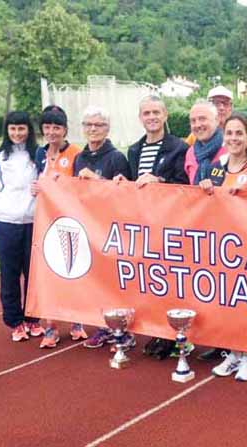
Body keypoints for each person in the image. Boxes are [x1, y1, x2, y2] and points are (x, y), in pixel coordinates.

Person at [114, 95, 190, 360]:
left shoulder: (178, 147)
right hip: (144, 226)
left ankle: (173, 335)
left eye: (156, 112)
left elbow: (183, 184)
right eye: (146, 113)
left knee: (172, 282)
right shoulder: (134, 150)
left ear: (165, 114)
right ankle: (158, 330)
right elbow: (134, 186)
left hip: (170, 224)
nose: (152, 117)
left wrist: (159, 179)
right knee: (150, 281)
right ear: (140, 118)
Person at [198, 114, 247, 381]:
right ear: (223, 137)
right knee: (228, 303)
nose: (234, 138)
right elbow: (207, 205)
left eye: (239, 133)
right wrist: (205, 189)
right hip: (223, 248)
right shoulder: (216, 167)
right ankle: (235, 353)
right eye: (229, 133)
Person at [0, 111, 45, 341]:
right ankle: (15, 322)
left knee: (34, 274)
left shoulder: (38, 154)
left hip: (33, 223)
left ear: (28, 130)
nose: (17, 133)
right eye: (13, 129)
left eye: (21, 129)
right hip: (6, 223)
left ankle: (32, 319)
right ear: (7, 130)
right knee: (9, 275)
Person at [74, 106, 131, 349]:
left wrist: (97, 182)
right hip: (87, 230)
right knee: (94, 280)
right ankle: (102, 326)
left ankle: (123, 330)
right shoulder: (79, 157)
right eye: (88, 125)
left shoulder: (117, 158)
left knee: (114, 282)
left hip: (111, 231)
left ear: (107, 129)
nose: (93, 129)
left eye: (98, 125)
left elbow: (125, 197)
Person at [33, 105, 87, 348]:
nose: (52, 132)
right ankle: (51, 327)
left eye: (57, 127)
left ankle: (76, 320)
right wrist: (35, 189)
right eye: (47, 127)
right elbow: (38, 184)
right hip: (45, 222)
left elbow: (80, 188)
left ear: (65, 129)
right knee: (48, 273)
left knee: (71, 270)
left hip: (71, 222)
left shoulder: (76, 153)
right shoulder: (39, 153)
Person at [186, 85, 247, 161]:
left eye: (225, 103)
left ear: (231, 107)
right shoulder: (197, 135)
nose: (221, 108)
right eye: (216, 103)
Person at [184, 100, 226, 186]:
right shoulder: (190, 153)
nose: (198, 125)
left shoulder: (231, 149)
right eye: (193, 121)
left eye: (202, 119)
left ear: (217, 120)